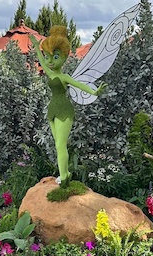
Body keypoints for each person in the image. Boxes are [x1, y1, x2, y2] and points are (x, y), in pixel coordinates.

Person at [30, 26, 106, 187]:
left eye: (55, 57)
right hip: (52, 110)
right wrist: (36, 47)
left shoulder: (64, 77)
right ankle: (65, 173)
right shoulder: (50, 73)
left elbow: (79, 84)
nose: (50, 61)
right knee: (58, 144)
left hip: (64, 111)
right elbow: (42, 62)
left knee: (60, 145)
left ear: (64, 57)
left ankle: (64, 177)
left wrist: (94, 92)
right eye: (48, 56)